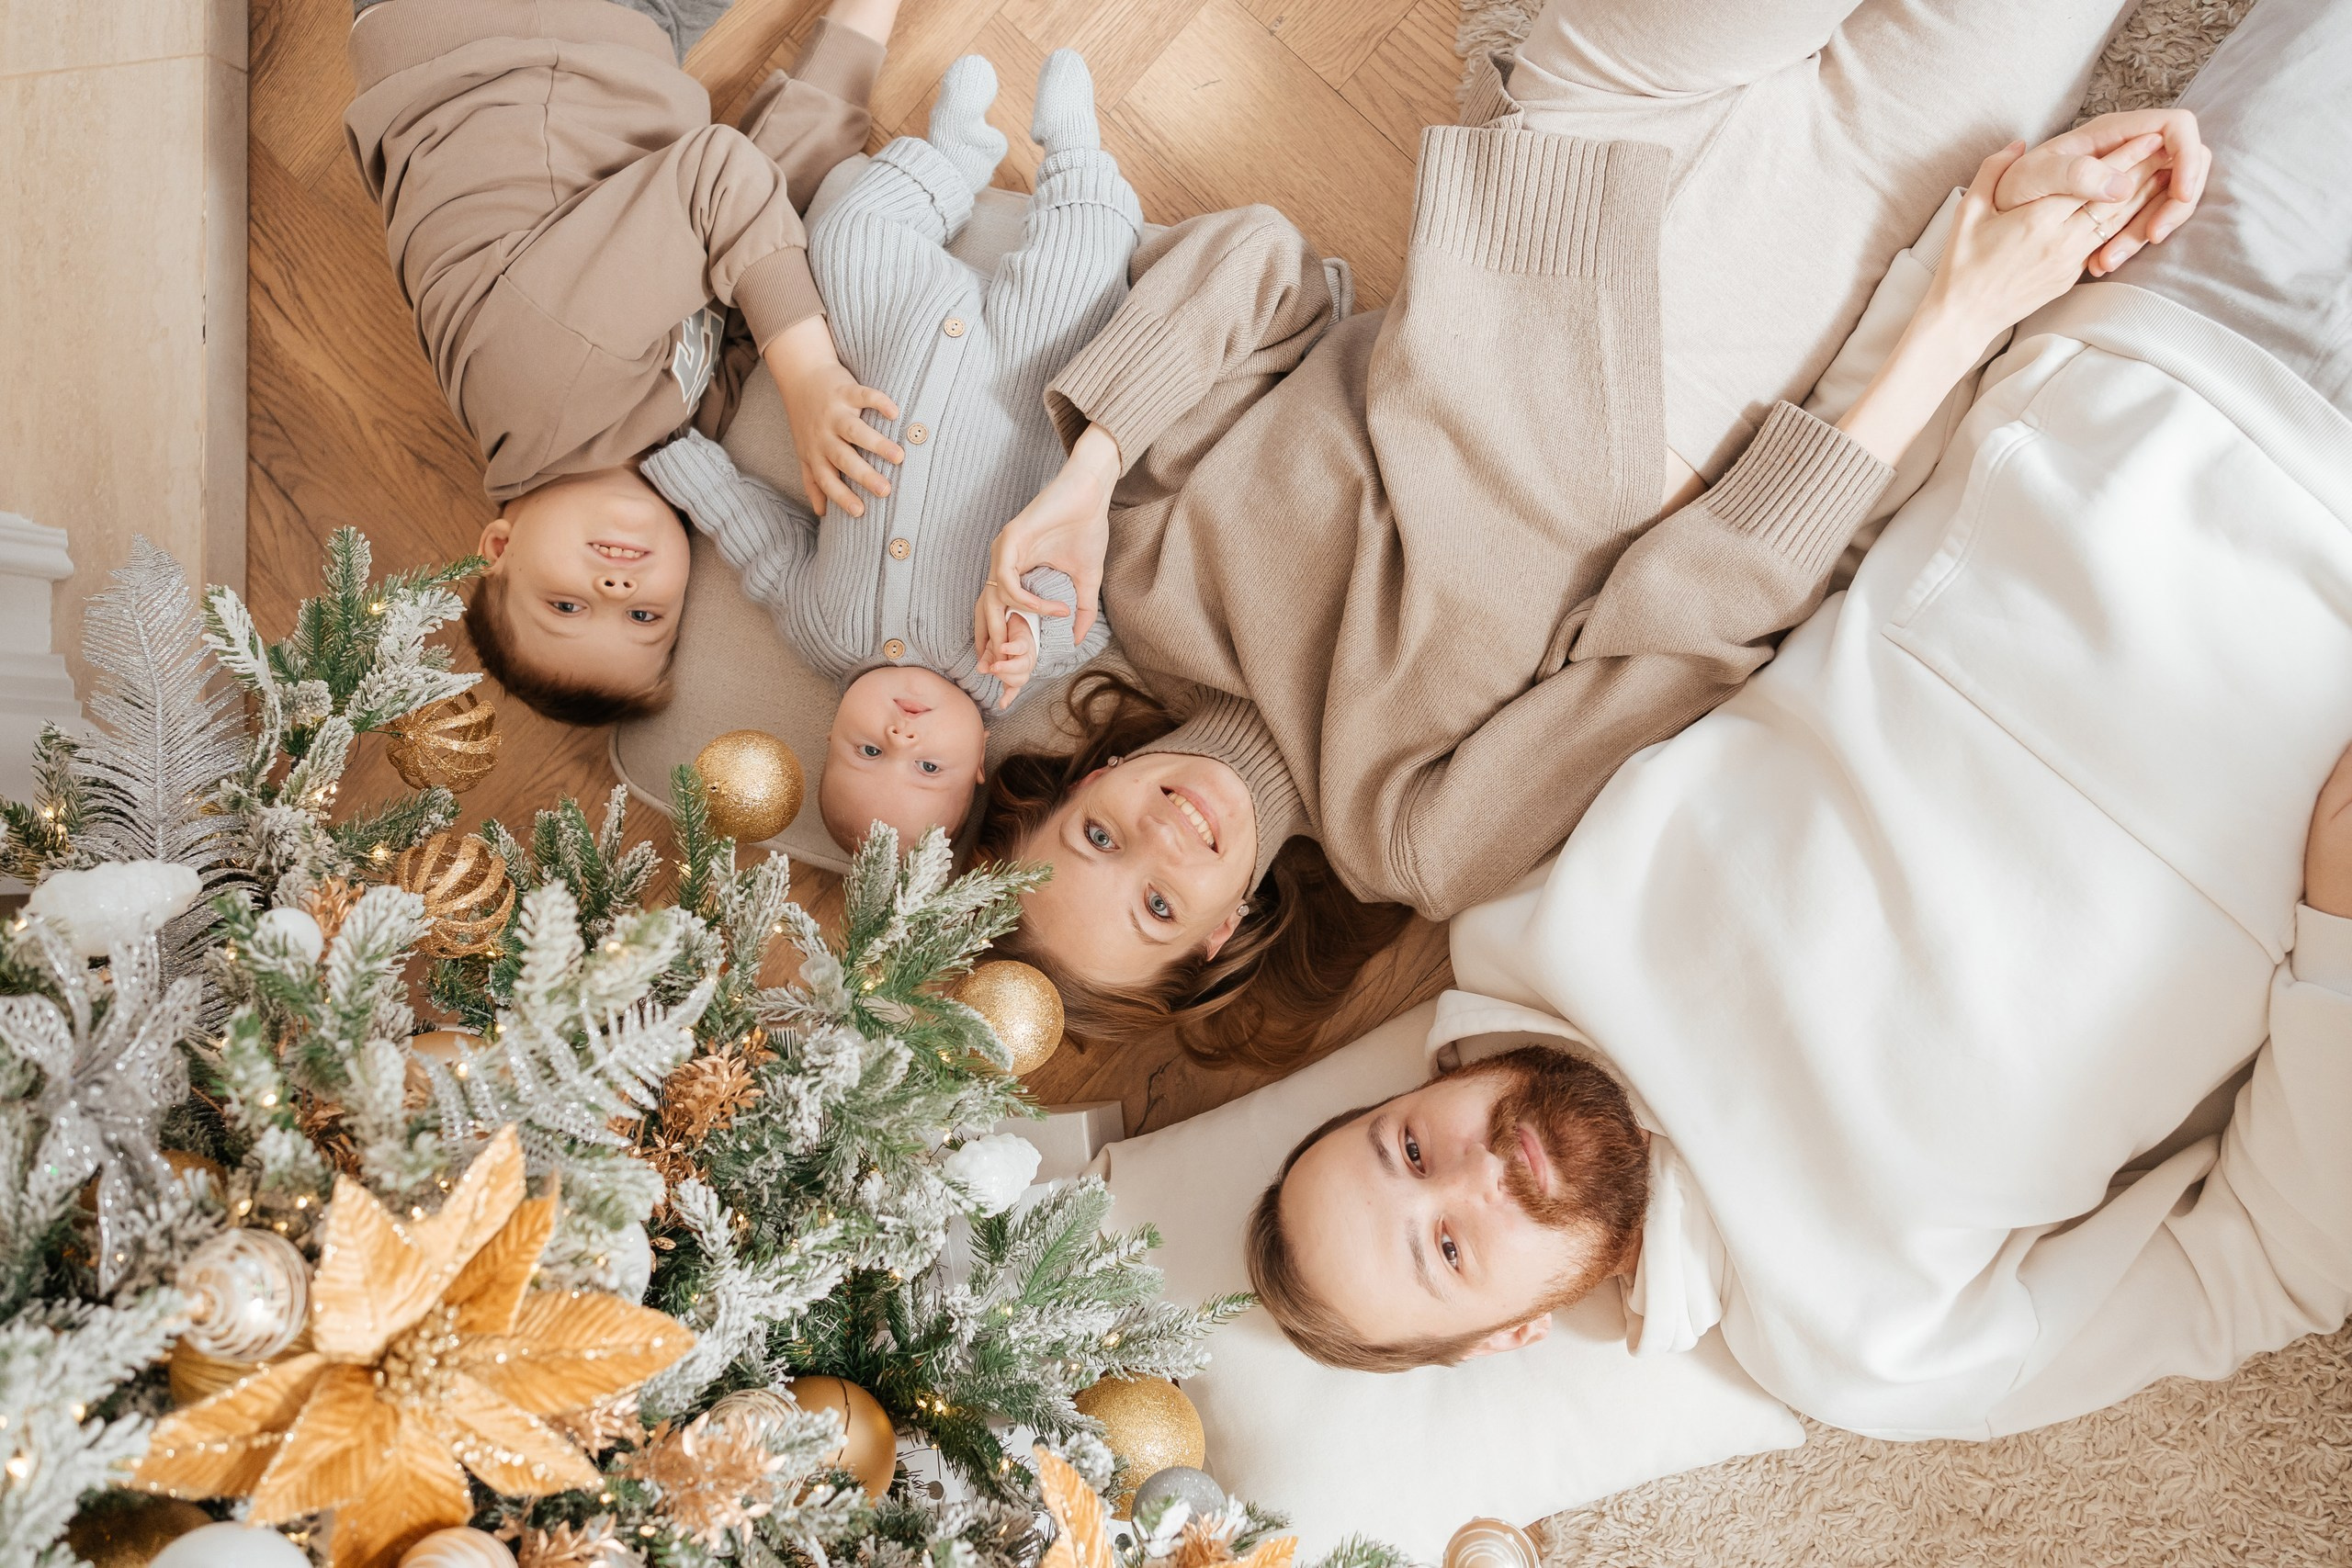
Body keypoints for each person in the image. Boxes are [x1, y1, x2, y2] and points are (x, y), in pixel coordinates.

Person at [1248, 0, 2352, 1433]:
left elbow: (1742, 583)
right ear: (1508, 1332)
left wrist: (1966, 283)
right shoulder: (1879, 1353)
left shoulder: (1521, 888)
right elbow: (2269, 1262)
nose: (1478, 1169)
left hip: (2170, 370)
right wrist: (2339, 947)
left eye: (1408, 1148)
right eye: (1449, 1245)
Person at [970, 0, 2204, 1066]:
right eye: (1151, 900)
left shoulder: (1136, 563)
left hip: (1571, 163)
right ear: (1221, 930)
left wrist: (1092, 459)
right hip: (1747, 348)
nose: (1158, 834)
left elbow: (1262, 267)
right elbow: (1681, 639)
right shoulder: (1413, 841)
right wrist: (1955, 313)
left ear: (1086, 776)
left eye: (1096, 832)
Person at [344, 0, 908, 723]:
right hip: (624, 55)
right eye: (645, 619)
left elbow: (721, 178)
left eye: (565, 603)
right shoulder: (674, 436)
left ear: (499, 547)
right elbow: (771, 204)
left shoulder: (538, 387)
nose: (615, 591)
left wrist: (810, 378)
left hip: (494, 31)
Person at [640, 51, 1129, 853]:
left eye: (868, 750)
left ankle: (951, 156)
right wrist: (1034, 631)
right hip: (1025, 375)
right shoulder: (1004, 674)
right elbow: (1094, 619)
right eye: (929, 765)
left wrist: (675, 459)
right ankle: (1074, 153)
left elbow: (758, 540)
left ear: (831, 731)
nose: (902, 737)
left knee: (843, 238)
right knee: (1086, 273)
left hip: (891, 356)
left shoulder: (821, 631)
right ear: (979, 765)